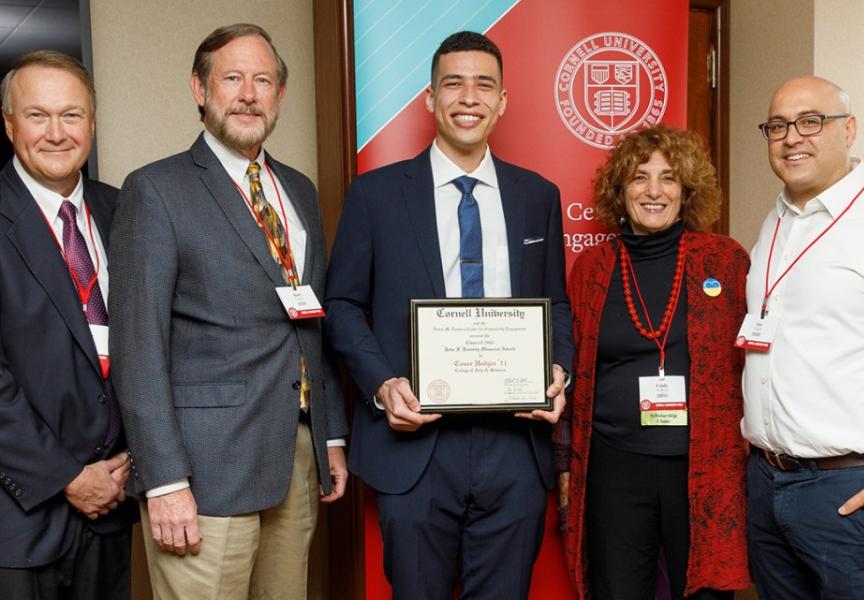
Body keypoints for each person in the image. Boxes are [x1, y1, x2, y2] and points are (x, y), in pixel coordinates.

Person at [324, 31, 573, 599]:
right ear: (430, 100)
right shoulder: (376, 194)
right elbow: (342, 306)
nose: (468, 97)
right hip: (414, 445)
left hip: (515, 445)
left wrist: (559, 371)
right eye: (452, 84)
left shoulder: (538, 195)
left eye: (484, 85)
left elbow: (556, 302)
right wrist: (382, 385)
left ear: (503, 101)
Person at [108, 23, 348, 599]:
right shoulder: (156, 190)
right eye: (232, 78)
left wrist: (330, 436)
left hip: (295, 456)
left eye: (262, 80)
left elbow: (309, 325)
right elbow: (138, 347)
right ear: (199, 88)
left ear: (279, 96)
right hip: (204, 467)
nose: (248, 93)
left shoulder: (300, 190)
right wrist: (163, 478)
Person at [556, 126, 751, 599]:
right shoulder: (593, 269)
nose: (654, 191)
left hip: (704, 466)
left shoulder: (725, 261)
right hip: (614, 465)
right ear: (620, 192)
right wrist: (563, 460)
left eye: (668, 178)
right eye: (640, 178)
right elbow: (573, 376)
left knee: (706, 589)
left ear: (686, 191)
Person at [742, 76, 864, 599]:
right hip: (767, 484)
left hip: (853, 491)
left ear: (849, 130)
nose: (793, 138)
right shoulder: (775, 223)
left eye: (812, 121)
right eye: (778, 126)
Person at [0, 50, 136, 599]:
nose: (56, 133)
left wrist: (131, 461)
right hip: (20, 519)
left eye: (72, 115)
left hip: (114, 506)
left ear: (93, 123)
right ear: (8, 124)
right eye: (37, 115)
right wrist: (69, 478)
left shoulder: (124, 211)